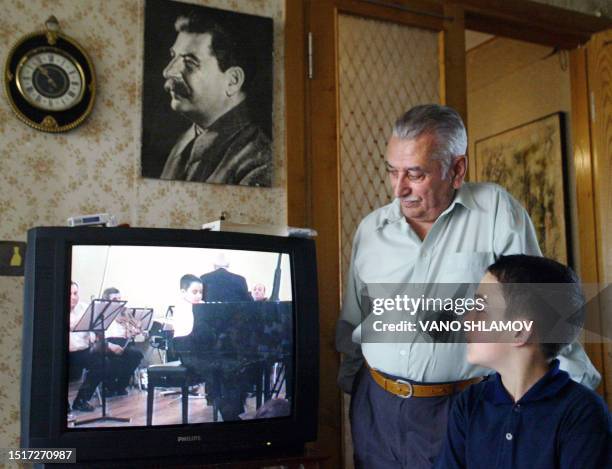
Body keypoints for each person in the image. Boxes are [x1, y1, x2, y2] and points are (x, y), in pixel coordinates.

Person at [336, 104, 601, 468]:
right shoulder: (371, 230)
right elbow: (355, 319)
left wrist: (572, 400)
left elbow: (537, 305)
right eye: (392, 171)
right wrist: (357, 390)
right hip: (377, 408)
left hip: (456, 408)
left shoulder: (494, 211)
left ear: (457, 169)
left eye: (415, 174)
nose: (399, 189)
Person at [435, 255, 611, 468]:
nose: (467, 319)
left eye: (481, 309)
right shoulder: (469, 403)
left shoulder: (582, 412)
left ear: (519, 332)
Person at [160, 11, 272, 186]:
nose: (168, 72)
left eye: (190, 62)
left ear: (233, 81)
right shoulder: (186, 140)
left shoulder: (258, 163)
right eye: (173, 57)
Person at [102, 287, 144, 397]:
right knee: (113, 360)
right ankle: (109, 386)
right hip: (108, 343)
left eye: (120, 299)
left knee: (136, 355)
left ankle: (121, 385)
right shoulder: (102, 313)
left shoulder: (125, 312)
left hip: (123, 342)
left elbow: (130, 331)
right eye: (115, 299)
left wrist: (133, 332)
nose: (119, 302)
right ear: (107, 301)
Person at [69, 281, 102, 412]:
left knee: (101, 364)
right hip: (64, 354)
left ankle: (81, 400)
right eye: (69, 294)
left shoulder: (85, 308)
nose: (73, 297)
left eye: (75, 293)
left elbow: (96, 330)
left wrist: (95, 333)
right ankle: (61, 405)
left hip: (83, 351)